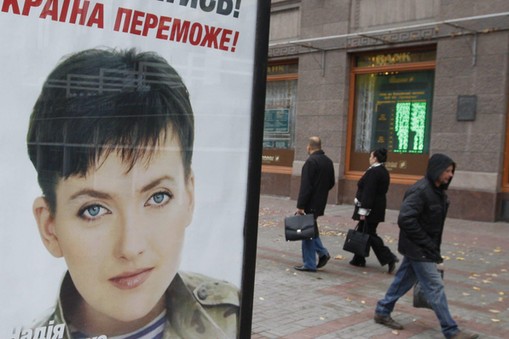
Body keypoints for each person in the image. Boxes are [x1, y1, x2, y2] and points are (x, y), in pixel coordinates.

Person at [24, 48, 239, 338]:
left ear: (188, 196)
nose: (130, 247)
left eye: (158, 197)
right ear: (50, 228)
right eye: (93, 210)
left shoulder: (232, 318)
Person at [374, 154, 478, 339]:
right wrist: (427, 244)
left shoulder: (438, 191)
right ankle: (451, 330)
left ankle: (382, 310)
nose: (450, 175)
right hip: (419, 249)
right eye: (447, 171)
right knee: (435, 287)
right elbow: (405, 219)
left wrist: (432, 247)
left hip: (424, 249)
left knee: (403, 280)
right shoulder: (421, 190)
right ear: (436, 170)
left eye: (452, 171)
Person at [349, 148, 399, 273]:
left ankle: (388, 257)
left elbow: (368, 192)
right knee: (362, 231)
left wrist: (363, 211)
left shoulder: (374, 172)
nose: (369, 158)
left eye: (371, 156)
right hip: (377, 208)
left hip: (369, 209)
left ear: (375, 158)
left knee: (370, 234)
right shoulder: (383, 171)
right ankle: (358, 258)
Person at [293, 136, 335, 272]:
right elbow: (331, 182)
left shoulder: (310, 162)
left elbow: (306, 187)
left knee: (306, 233)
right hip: (320, 202)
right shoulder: (328, 161)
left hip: (310, 203)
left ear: (309, 147)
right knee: (311, 229)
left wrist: (300, 206)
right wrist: (321, 193)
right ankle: (322, 253)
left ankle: (310, 263)